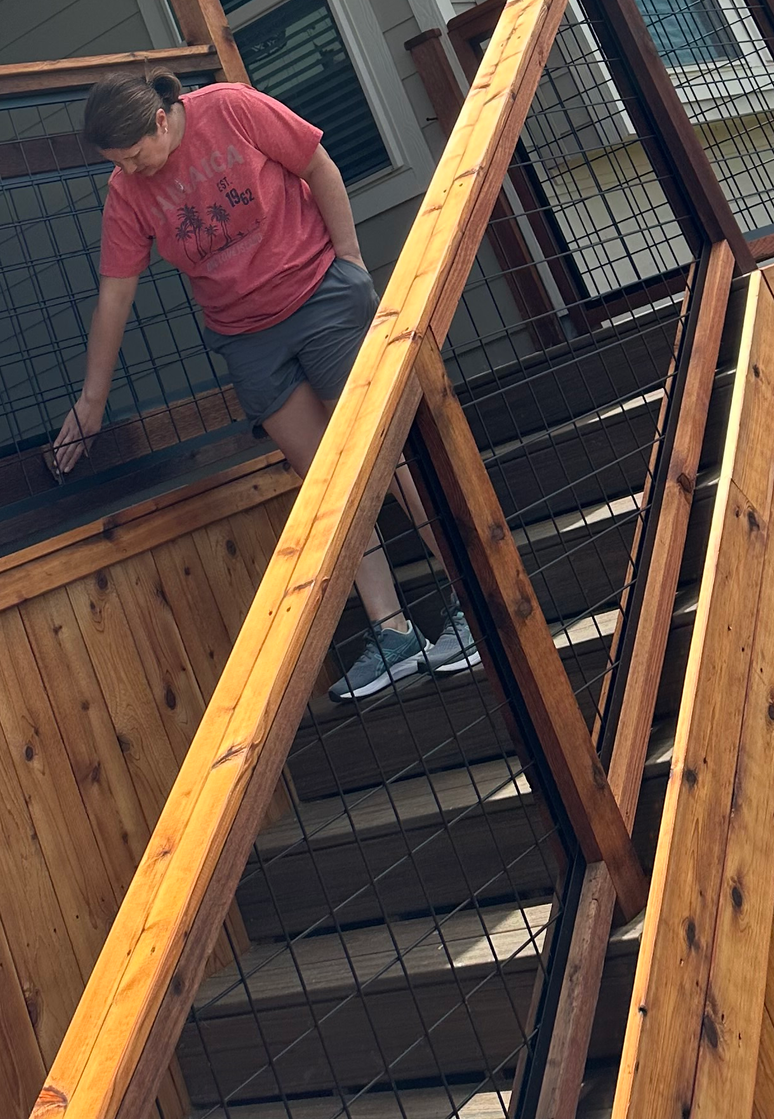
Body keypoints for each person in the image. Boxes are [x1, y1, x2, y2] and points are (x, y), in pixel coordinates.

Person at [51, 67, 479, 701]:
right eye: (118, 163)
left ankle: (472, 600)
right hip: (248, 340)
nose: (131, 170)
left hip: (320, 298)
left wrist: (351, 263)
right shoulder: (127, 191)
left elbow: (318, 165)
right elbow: (115, 294)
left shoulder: (231, 109)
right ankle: (393, 632)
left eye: (136, 155)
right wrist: (92, 400)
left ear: (161, 120)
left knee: (389, 454)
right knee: (326, 482)